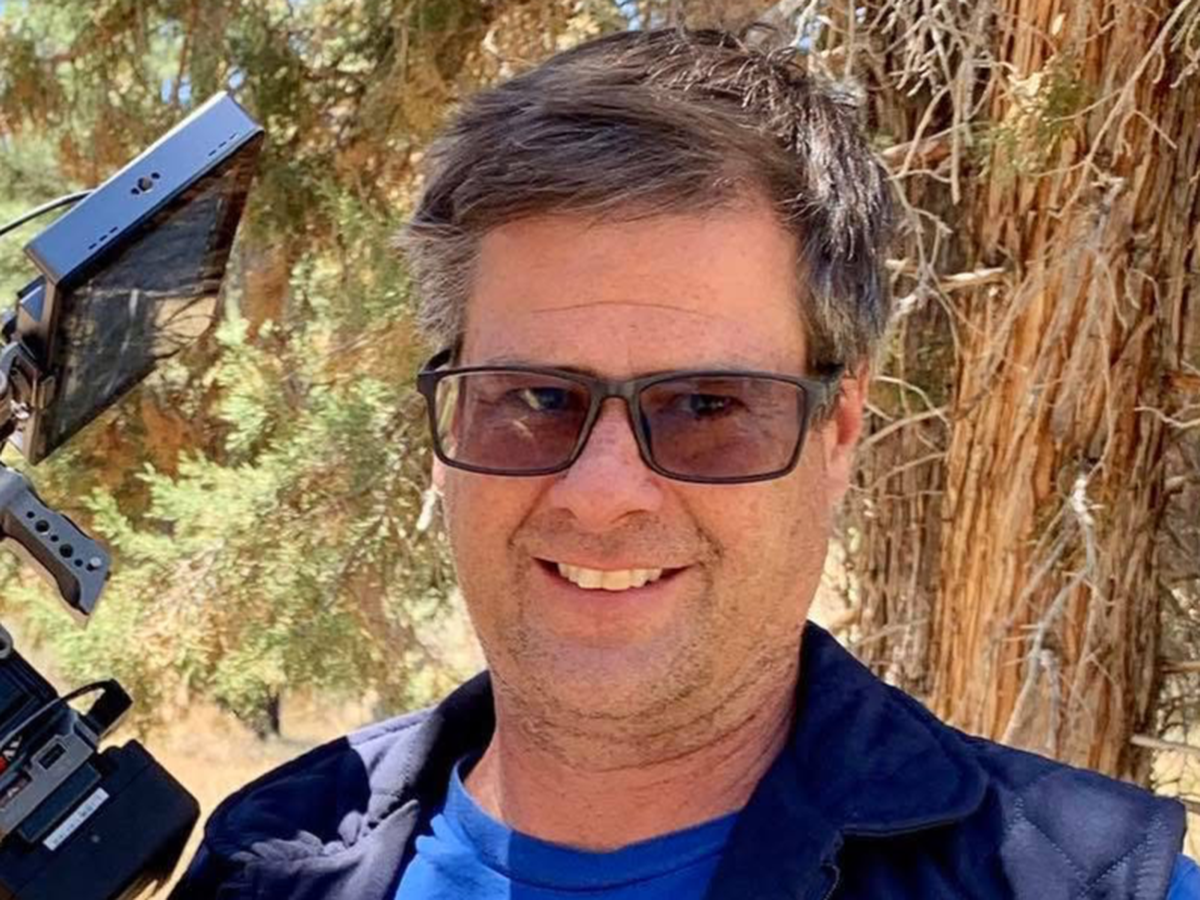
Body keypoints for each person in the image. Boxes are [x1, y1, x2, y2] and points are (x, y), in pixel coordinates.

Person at [169, 27, 1197, 900]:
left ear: (838, 431)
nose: (603, 494)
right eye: (535, 400)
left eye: (708, 407)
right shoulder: (265, 861)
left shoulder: (1089, 884)